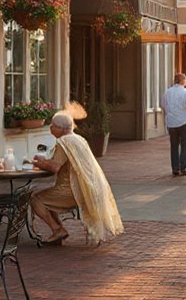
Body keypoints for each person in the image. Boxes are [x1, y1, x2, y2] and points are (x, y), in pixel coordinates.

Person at [31, 103, 124, 245]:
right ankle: (58, 230)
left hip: (73, 190)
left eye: (53, 126)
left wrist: (40, 162)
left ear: (61, 129)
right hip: (89, 188)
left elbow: (55, 167)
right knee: (47, 198)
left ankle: (57, 230)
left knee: (36, 199)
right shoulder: (79, 139)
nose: (50, 128)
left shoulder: (63, 141)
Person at [162, 73, 186, 176]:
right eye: (185, 79)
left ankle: (175, 168)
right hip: (184, 121)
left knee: (174, 145)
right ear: (182, 81)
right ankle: (183, 166)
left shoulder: (167, 92)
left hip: (171, 122)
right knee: (185, 145)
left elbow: (163, 105)